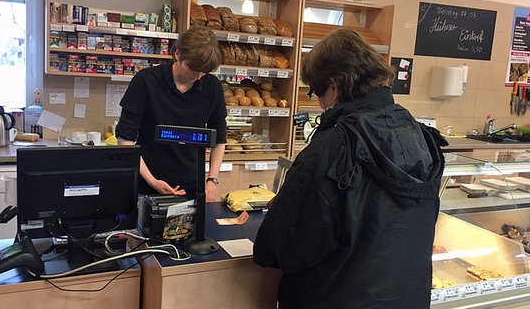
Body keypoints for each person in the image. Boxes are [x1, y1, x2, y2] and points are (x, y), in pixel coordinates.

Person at [253, 28, 448, 308]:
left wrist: (282, 210)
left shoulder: (331, 147)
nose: (319, 103)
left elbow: (282, 249)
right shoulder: (420, 135)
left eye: (316, 91)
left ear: (334, 85)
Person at [115, 26, 227, 202]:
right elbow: (125, 138)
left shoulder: (212, 87)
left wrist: (212, 180)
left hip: (192, 186)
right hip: (147, 183)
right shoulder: (146, 81)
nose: (197, 76)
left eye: (204, 72)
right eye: (193, 68)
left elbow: (219, 139)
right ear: (177, 54)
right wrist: (152, 181)